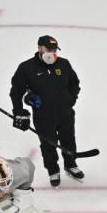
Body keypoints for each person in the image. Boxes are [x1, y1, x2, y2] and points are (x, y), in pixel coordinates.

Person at [9, 35, 81, 187]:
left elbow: (75, 83)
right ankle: (53, 170)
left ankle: (71, 164)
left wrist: (71, 99)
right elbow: (16, 91)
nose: (52, 53)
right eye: (49, 49)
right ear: (39, 48)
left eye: (55, 49)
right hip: (43, 116)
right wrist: (18, 110)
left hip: (65, 113)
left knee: (69, 140)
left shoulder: (63, 64)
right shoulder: (26, 68)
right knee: (48, 144)